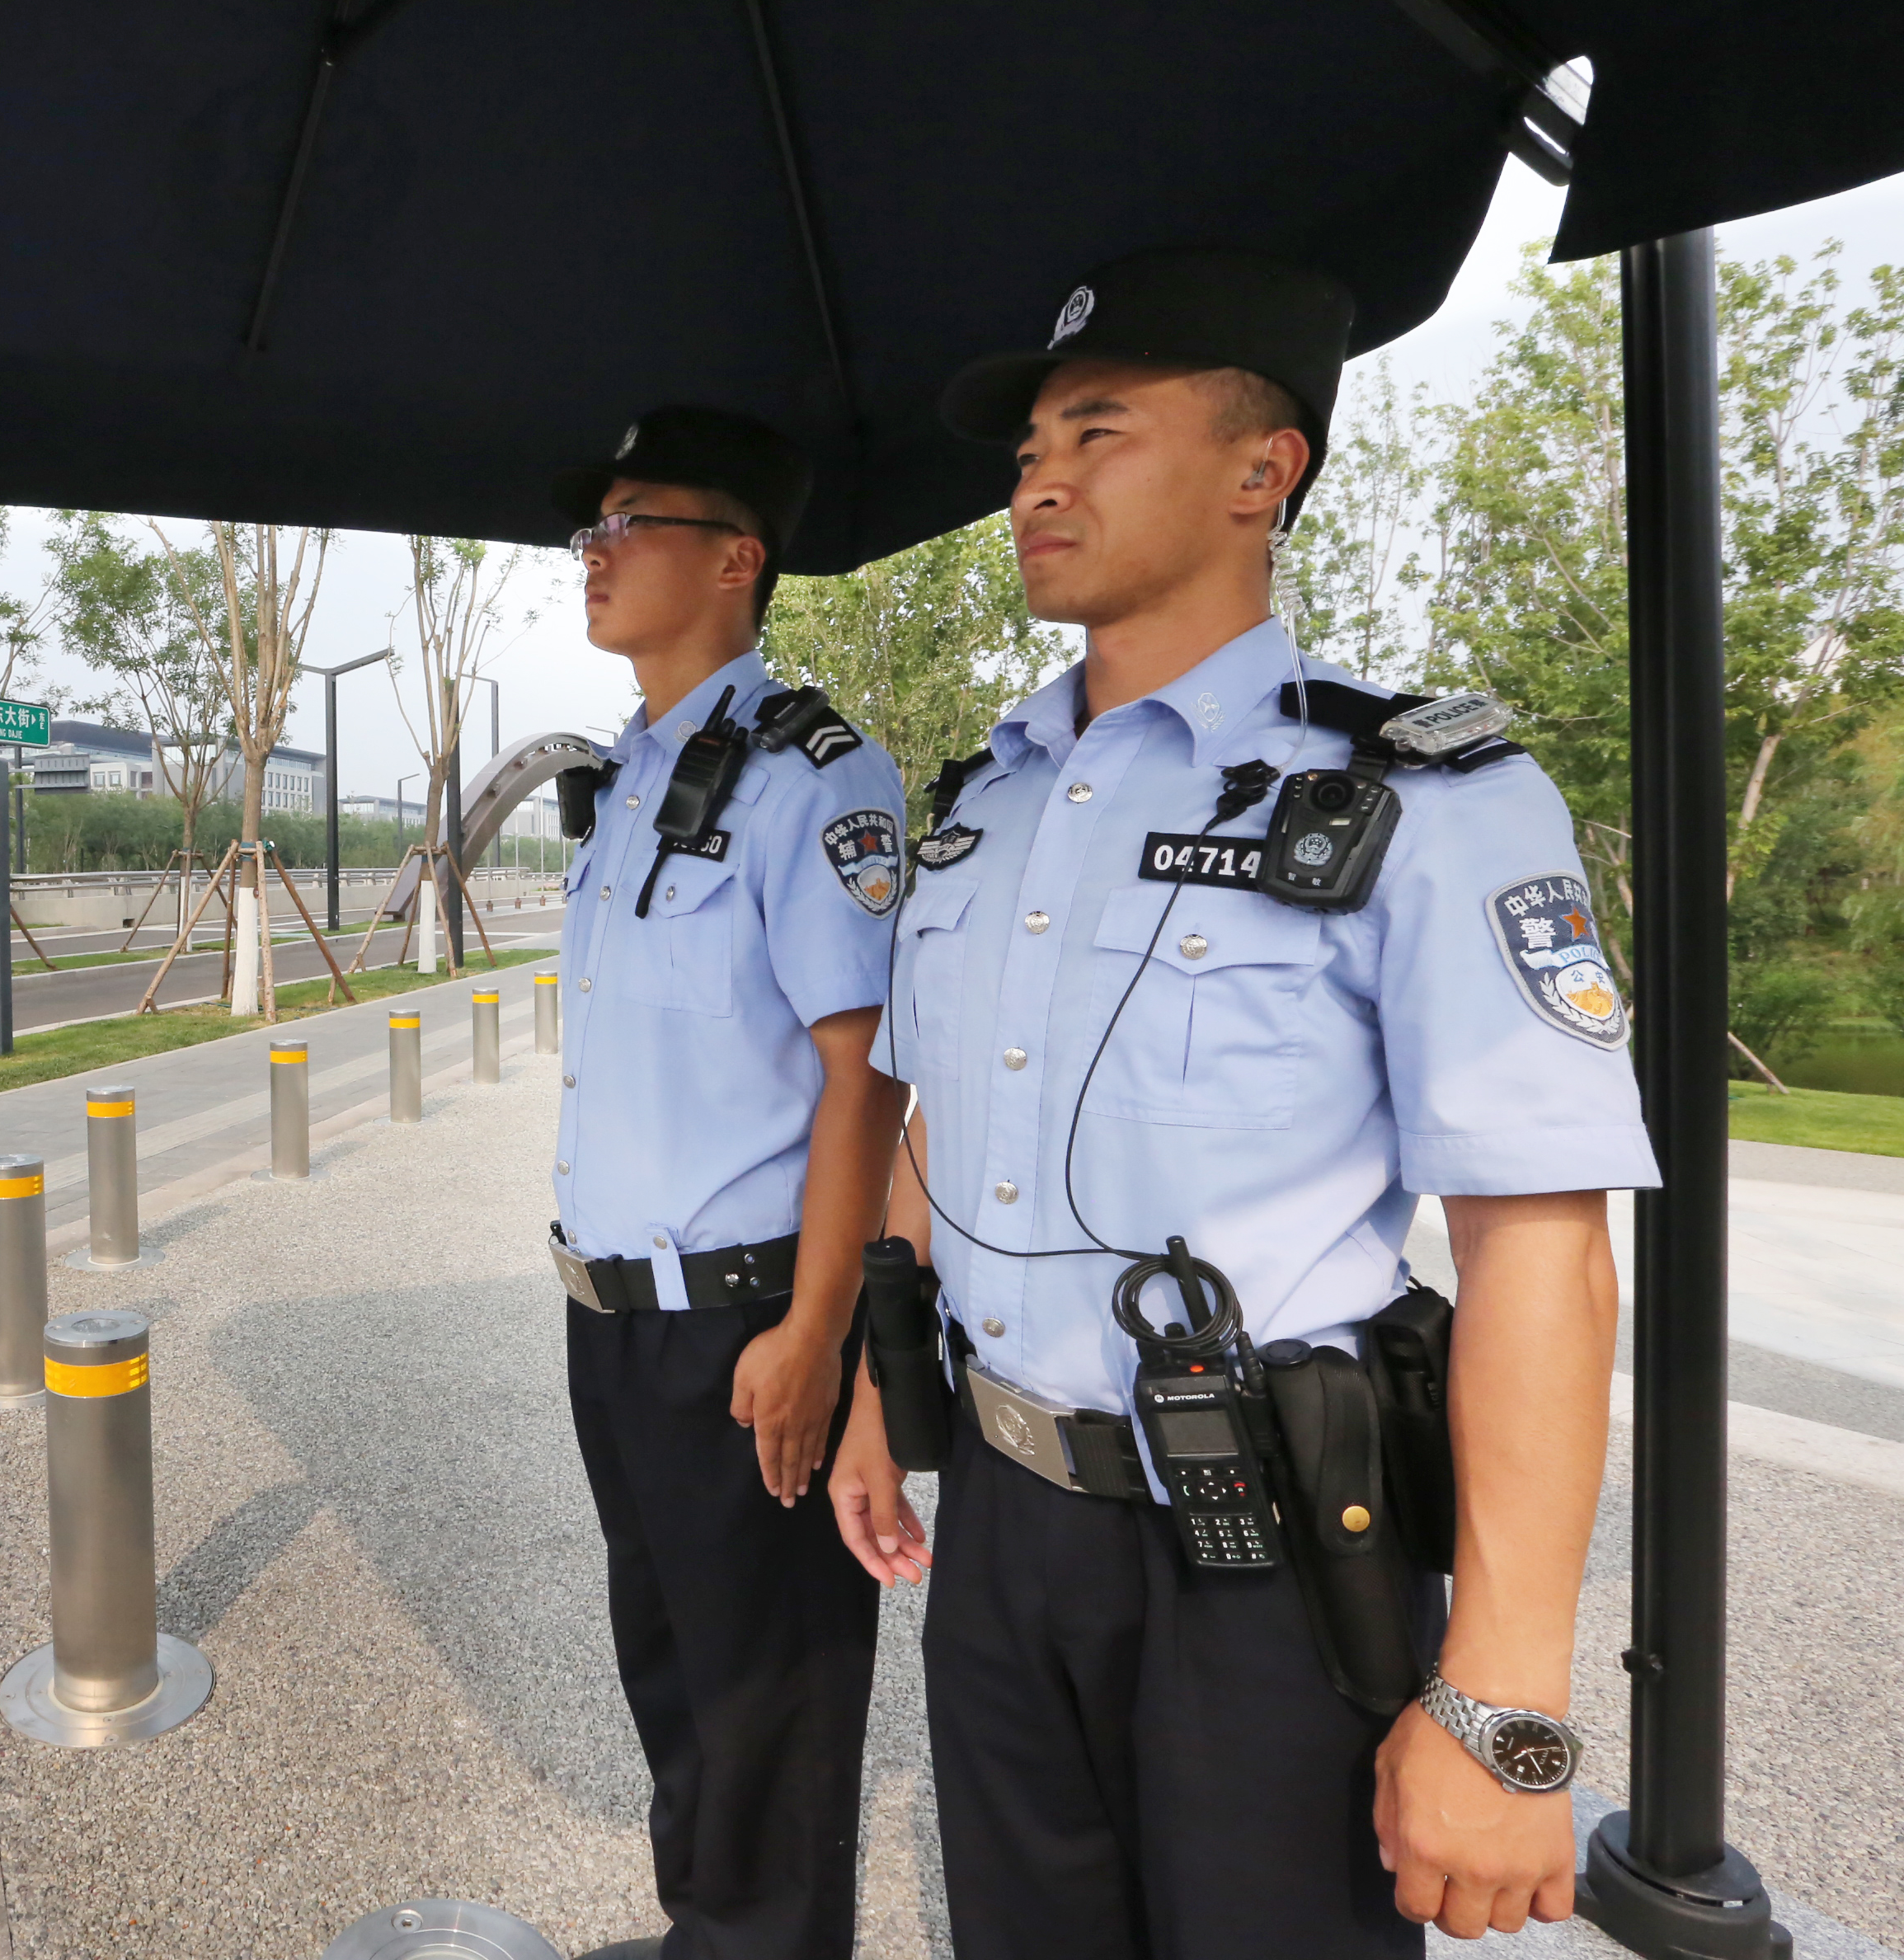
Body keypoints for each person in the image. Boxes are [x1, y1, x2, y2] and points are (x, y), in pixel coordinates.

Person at [827, 249, 1652, 1957]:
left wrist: (1503, 1698)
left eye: (1098, 430)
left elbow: (1542, 1255)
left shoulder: (1421, 798)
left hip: (1266, 1566)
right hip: (998, 1534)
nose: (1038, 478)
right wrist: (874, 1391)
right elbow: (936, 1134)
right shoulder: (987, 800)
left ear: (1262, 472)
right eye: (1029, 446)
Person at [543, 407, 913, 1960]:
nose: (596, 553)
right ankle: (710, 1929)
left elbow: (868, 1076)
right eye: (592, 530)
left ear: (736, 559)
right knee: (673, 1664)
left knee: (776, 1696)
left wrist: (821, 1333)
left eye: (631, 522)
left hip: (750, 1318)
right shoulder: (630, 774)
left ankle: (766, 1942)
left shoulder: (810, 777)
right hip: (615, 1320)